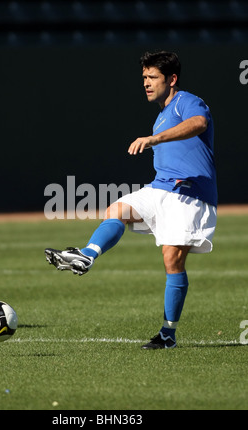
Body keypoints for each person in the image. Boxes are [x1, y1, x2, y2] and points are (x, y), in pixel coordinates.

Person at [45, 51, 217, 350]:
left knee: (172, 260)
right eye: (144, 78)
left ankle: (167, 334)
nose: (147, 83)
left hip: (190, 193)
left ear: (172, 79)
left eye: (153, 77)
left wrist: (155, 139)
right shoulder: (161, 116)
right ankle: (87, 255)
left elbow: (199, 123)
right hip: (160, 188)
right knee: (117, 209)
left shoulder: (186, 102)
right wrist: (157, 135)